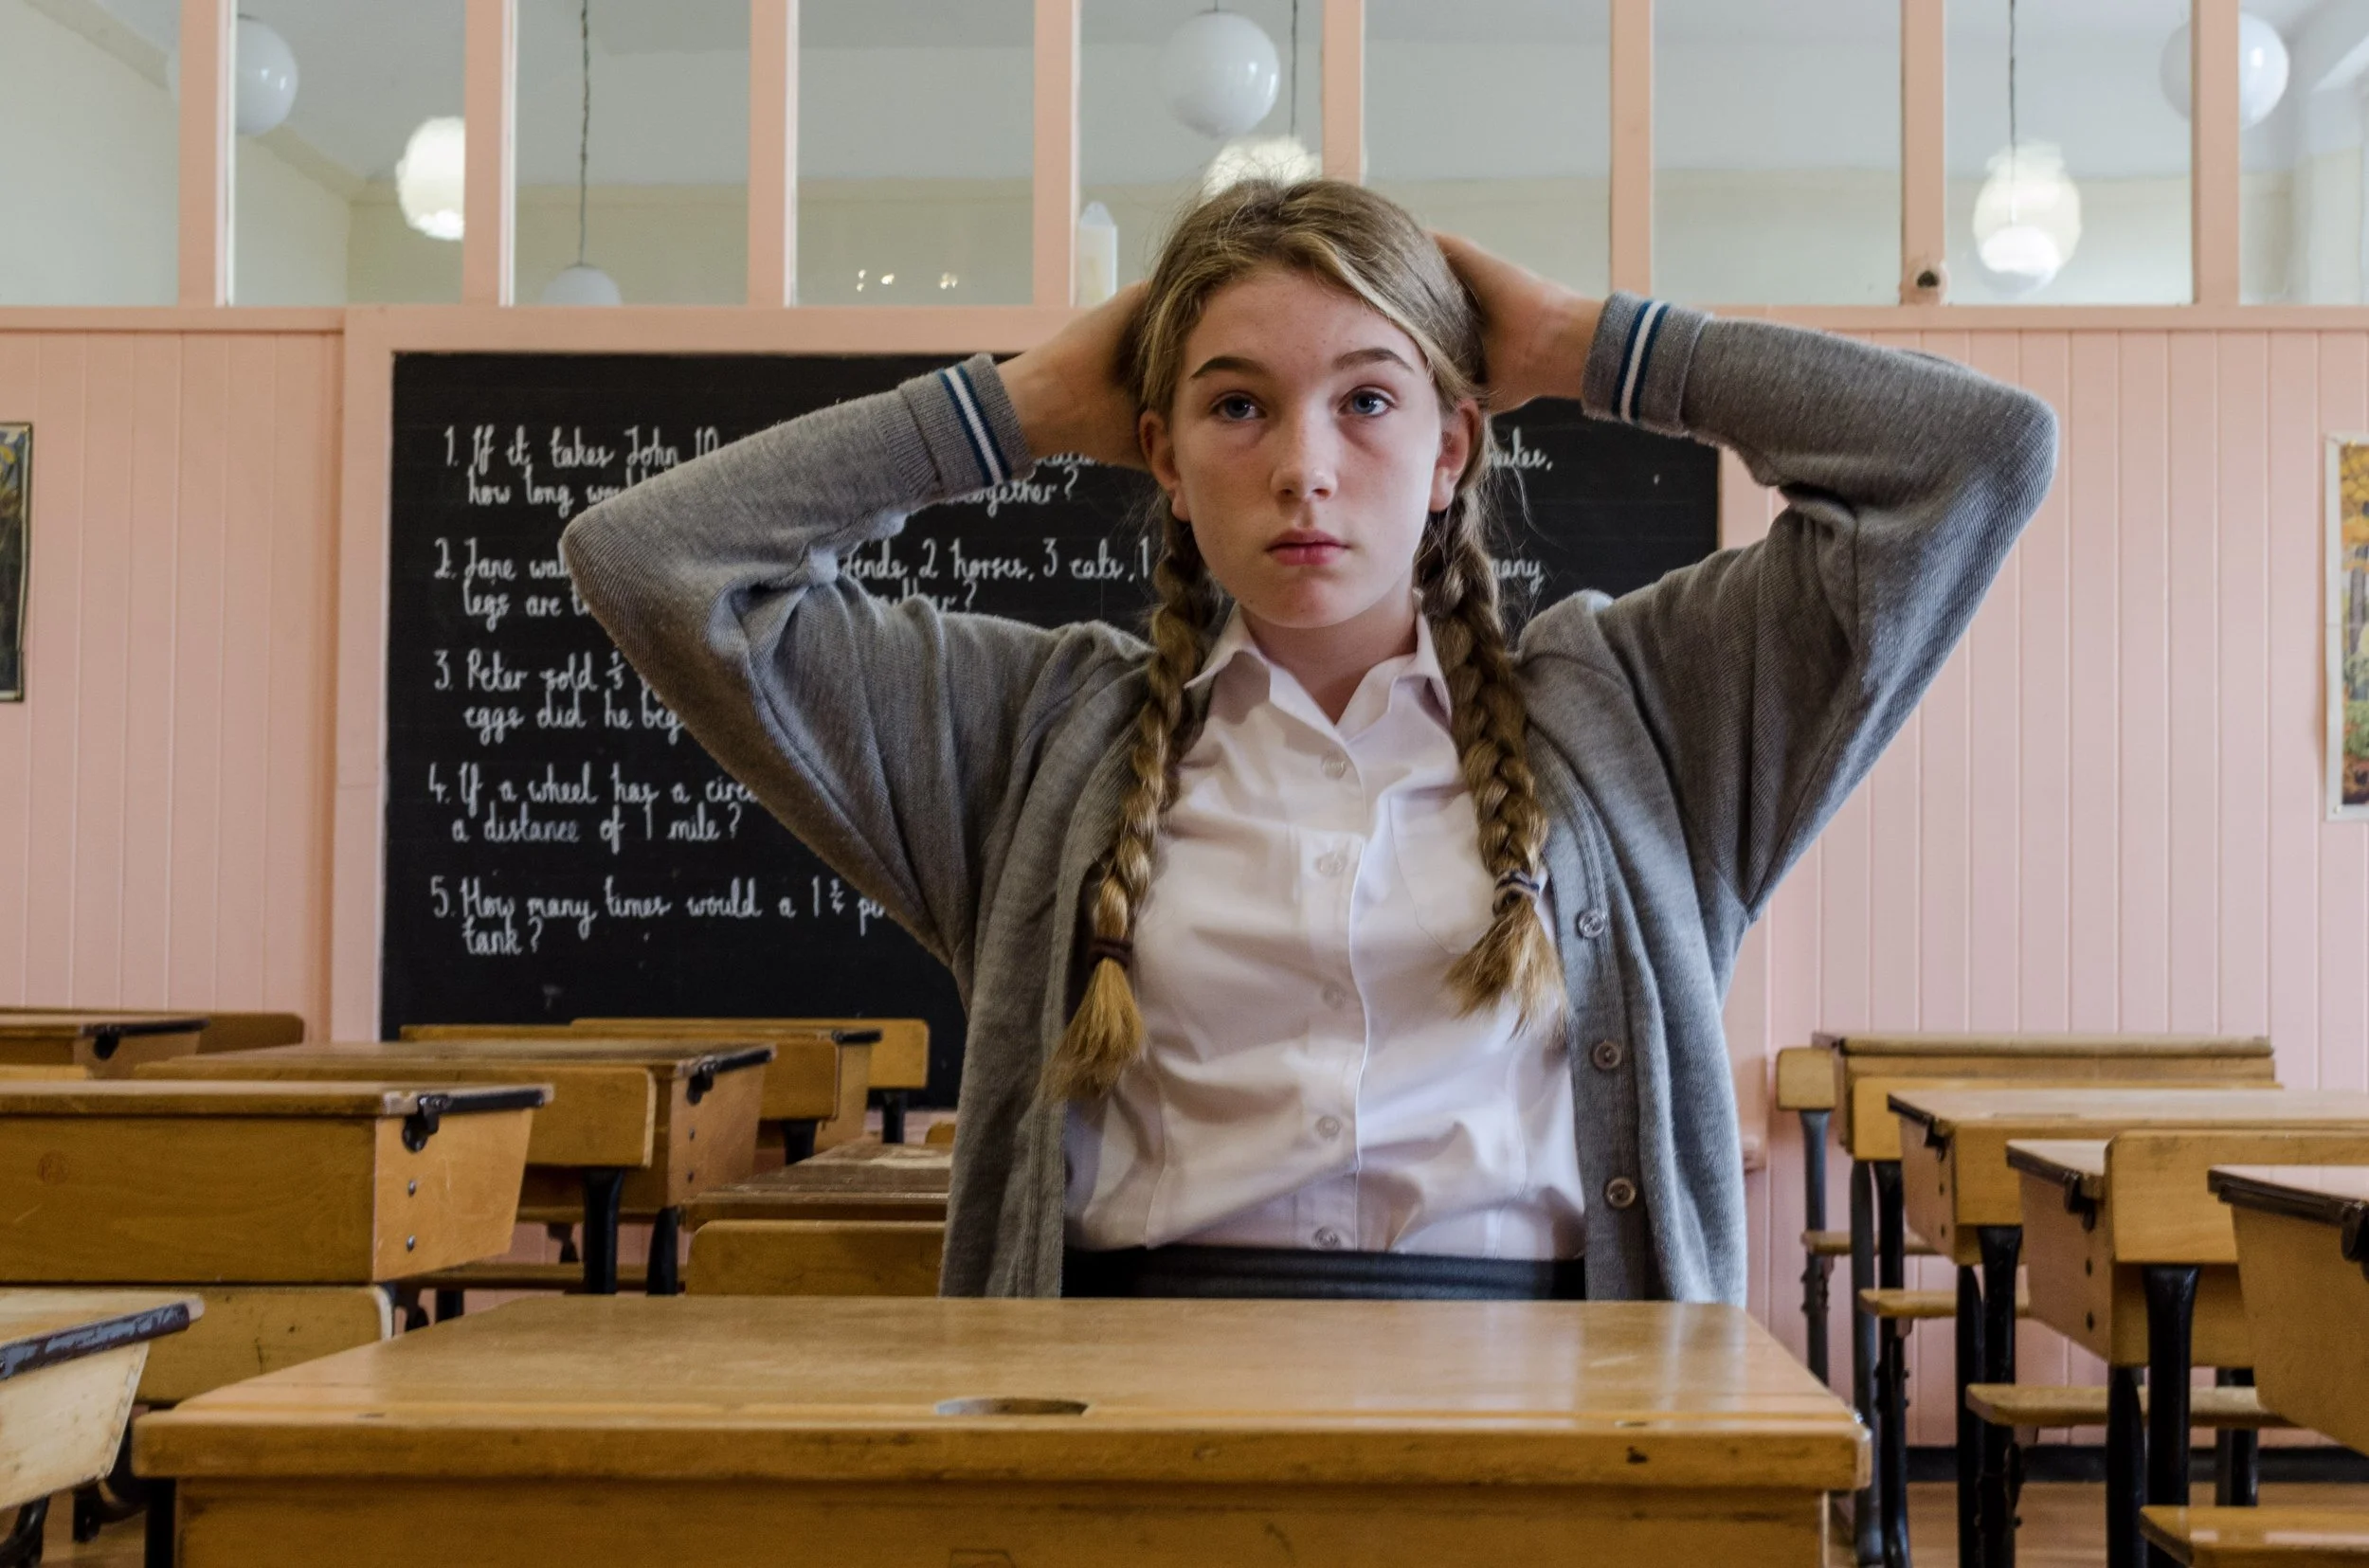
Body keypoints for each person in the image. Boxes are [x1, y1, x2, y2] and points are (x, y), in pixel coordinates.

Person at [563, 179, 2055, 1305]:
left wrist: (1585, 343)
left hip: (1557, 1415)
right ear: (1157, 449)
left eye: (1368, 399)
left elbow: (1974, 460)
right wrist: (1013, 407)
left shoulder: (1650, 713)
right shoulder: (1031, 739)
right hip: (1129, 1413)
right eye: (1234, 405)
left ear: (1454, 442)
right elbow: (653, 563)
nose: (1304, 469)